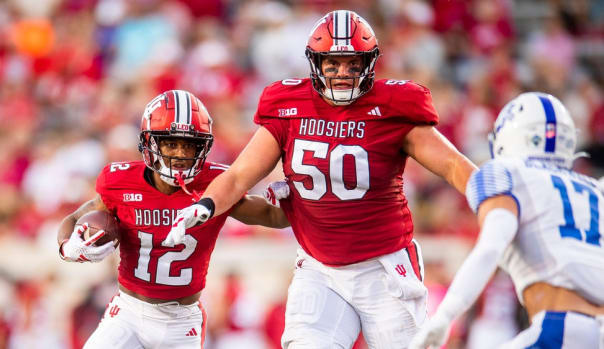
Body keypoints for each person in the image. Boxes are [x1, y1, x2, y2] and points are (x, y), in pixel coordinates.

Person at [165, 10, 477, 349]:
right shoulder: (288, 105)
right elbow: (239, 175)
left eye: (352, 63)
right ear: (315, 63)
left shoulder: (393, 106)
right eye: (332, 63)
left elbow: (453, 166)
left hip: (384, 267)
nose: (342, 72)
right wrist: (206, 205)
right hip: (319, 267)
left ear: (368, 63)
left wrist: (492, 198)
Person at [56, 90, 289, 349]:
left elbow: (274, 216)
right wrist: (68, 247)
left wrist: (293, 199)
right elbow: (76, 217)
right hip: (128, 313)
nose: (179, 153)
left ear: (203, 147)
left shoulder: (215, 185)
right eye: (171, 143)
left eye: (190, 145)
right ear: (151, 143)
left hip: (181, 321)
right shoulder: (120, 182)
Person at [409, 92, 604, 349]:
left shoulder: (508, 172)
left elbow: (491, 246)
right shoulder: (595, 189)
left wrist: (444, 315)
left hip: (562, 328)